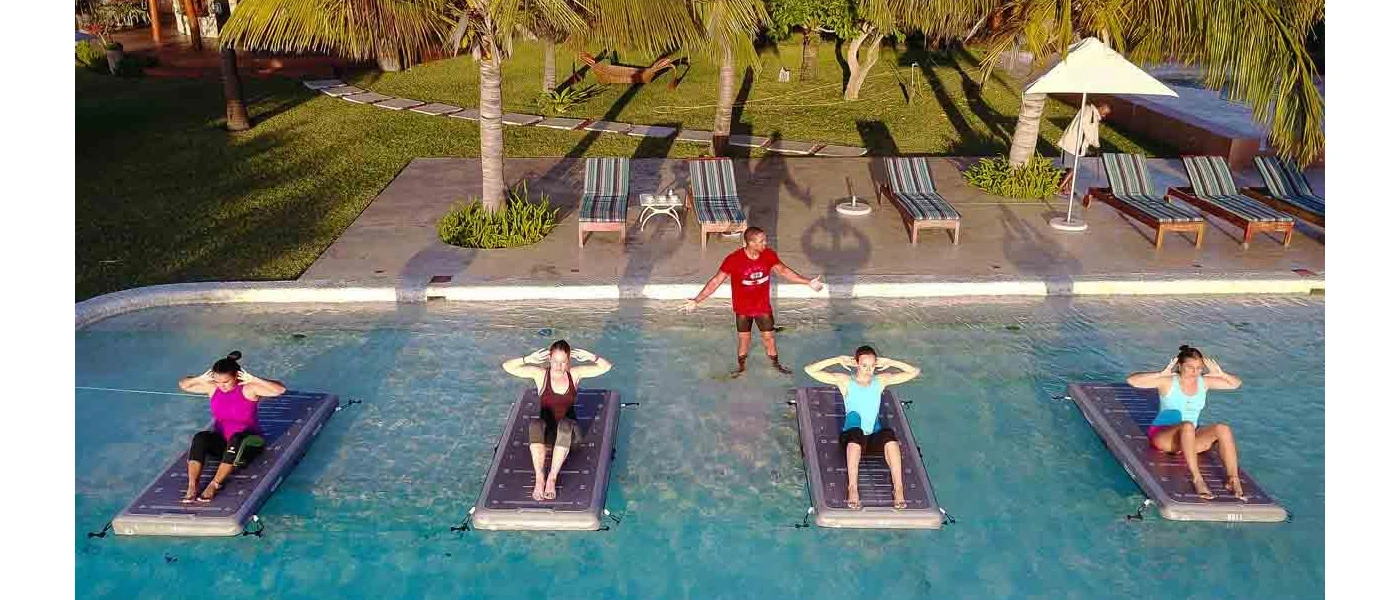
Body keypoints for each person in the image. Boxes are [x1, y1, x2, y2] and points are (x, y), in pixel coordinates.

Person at [681, 226, 824, 377]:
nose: (765, 243)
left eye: (765, 240)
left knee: (769, 338)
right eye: (761, 241)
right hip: (743, 310)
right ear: (751, 243)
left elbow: (784, 271)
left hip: (763, 308)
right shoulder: (733, 260)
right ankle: (741, 367)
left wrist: (807, 282)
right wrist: (697, 300)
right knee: (744, 340)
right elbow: (716, 281)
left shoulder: (768, 255)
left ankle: (776, 364)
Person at [804, 346, 922, 510]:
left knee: (889, 435)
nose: (869, 370)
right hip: (851, 439)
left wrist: (891, 362)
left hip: (872, 440)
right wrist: (838, 359)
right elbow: (809, 370)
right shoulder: (845, 381)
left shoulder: (880, 381)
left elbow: (915, 371)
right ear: (856, 364)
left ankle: (899, 490)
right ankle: (852, 489)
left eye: (873, 366)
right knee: (856, 433)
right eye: (864, 365)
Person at [1126, 345, 1248, 500]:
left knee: (1222, 428)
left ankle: (1233, 479)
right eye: (1190, 367)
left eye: (1199, 368)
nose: (1195, 372)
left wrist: (1222, 374)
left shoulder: (1204, 382)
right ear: (1180, 365)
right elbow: (1132, 380)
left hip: (1189, 439)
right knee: (1187, 425)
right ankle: (1197, 479)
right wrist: (1160, 374)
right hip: (1164, 436)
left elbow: (1235, 384)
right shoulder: (1168, 381)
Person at [502, 340, 613, 501]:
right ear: (549, 359)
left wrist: (591, 356)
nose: (559, 366)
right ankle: (540, 479)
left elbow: (606, 367)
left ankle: (552, 478)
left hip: (570, 437)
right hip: (547, 438)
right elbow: (507, 366)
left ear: (569, 361)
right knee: (536, 424)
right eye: (555, 361)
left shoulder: (574, 374)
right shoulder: (540, 375)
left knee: (565, 425)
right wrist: (527, 359)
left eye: (563, 362)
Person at [176, 351, 287, 503]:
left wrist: (254, 379)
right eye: (218, 382)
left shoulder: (249, 388)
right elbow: (184, 385)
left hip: (249, 444)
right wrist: (200, 379)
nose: (221, 386)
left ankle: (214, 485)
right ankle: (192, 485)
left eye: (226, 382)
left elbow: (280, 390)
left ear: (237, 376)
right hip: (224, 444)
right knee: (200, 437)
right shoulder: (213, 388)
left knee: (236, 438)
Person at [1057, 100, 1112, 196]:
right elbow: (1088, 130)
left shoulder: (1089, 112)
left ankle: (1067, 189)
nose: (1104, 116)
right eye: (1104, 113)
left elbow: (1092, 130)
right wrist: (1095, 143)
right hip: (1074, 145)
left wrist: (1096, 143)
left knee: (1071, 167)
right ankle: (1059, 188)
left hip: (1072, 143)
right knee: (1074, 168)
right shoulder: (1090, 114)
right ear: (1100, 108)